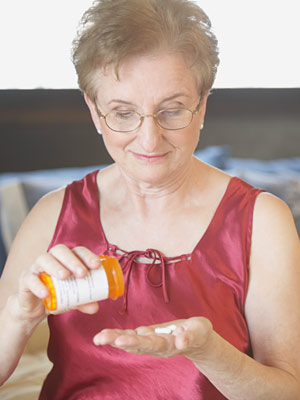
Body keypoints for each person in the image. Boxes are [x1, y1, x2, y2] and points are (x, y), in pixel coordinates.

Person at [0, 0, 300, 398]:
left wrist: (208, 353)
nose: (148, 140)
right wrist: (18, 316)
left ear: (203, 104)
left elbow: (286, 392)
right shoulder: (53, 215)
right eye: (122, 113)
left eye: (172, 111)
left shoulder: (262, 221)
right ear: (94, 111)